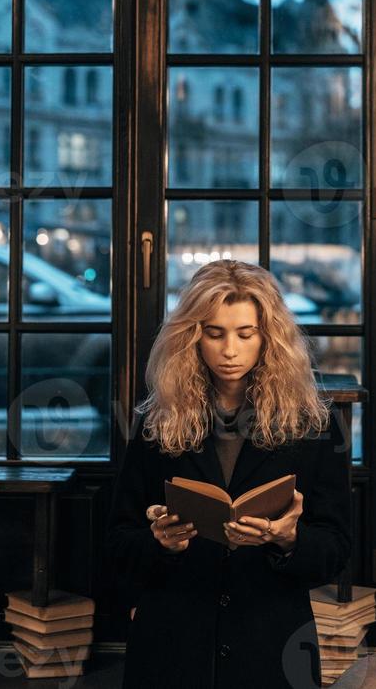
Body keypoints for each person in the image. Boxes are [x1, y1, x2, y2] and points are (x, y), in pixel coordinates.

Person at [105, 259, 351, 689]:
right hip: (173, 643)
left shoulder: (314, 425)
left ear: (268, 337)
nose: (230, 350)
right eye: (214, 333)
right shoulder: (156, 421)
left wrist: (289, 537)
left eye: (245, 334)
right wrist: (159, 542)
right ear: (192, 337)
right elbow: (118, 543)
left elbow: (336, 549)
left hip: (271, 644)